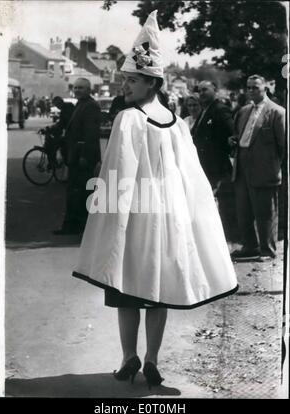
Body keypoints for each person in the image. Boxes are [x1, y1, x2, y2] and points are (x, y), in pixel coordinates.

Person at [73, 10, 237, 388]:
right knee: (159, 288)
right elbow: (189, 174)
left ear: (152, 83)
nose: (125, 86)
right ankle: (151, 359)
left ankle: (129, 356)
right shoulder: (176, 123)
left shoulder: (128, 119)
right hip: (169, 214)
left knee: (126, 285)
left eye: (131, 80)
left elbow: (118, 170)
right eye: (126, 80)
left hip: (137, 213)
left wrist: (105, 211)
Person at [230, 74, 285, 261]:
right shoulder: (243, 111)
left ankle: (267, 249)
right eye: (249, 87)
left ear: (265, 89)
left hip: (265, 167)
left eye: (255, 87)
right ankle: (250, 246)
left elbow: (284, 145)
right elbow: (239, 134)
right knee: (243, 209)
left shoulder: (277, 112)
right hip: (243, 164)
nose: (251, 90)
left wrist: (275, 167)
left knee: (265, 211)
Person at [53, 78, 101, 235]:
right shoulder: (80, 105)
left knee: (81, 192)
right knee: (74, 192)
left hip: (82, 157)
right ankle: (71, 226)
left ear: (89, 90)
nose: (78, 90)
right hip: (74, 155)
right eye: (76, 87)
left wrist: (85, 156)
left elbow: (91, 134)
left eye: (81, 87)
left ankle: (80, 227)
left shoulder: (91, 106)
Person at [191, 81, 234, 196]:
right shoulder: (205, 110)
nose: (201, 93)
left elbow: (232, 134)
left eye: (205, 90)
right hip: (204, 165)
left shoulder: (220, 110)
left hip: (217, 167)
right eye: (199, 91)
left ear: (215, 91)